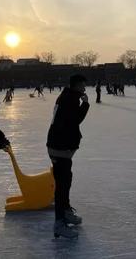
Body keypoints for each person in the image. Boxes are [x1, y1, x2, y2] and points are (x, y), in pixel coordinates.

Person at [46, 74, 90, 239]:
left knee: (66, 180)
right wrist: (85, 104)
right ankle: (59, 223)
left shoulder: (67, 97)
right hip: (59, 147)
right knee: (62, 185)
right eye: (83, 86)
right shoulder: (69, 99)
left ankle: (65, 212)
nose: (85, 89)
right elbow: (75, 120)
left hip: (60, 146)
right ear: (77, 85)